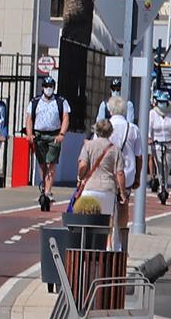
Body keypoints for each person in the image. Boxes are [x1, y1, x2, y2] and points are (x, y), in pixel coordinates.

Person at [26, 77, 71, 209]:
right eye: (46, 85)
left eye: (50, 85)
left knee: (51, 163)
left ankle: (48, 191)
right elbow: (29, 118)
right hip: (39, 135)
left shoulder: (61, 101)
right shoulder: (35, 101)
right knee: (42, 163)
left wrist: (62, 134)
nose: (48, 88)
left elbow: (65, 118)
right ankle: (44, 186)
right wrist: (29, 134)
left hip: (54, 135)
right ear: (42, 87)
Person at [74, 113, 126, 218]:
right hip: (108, 190)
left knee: (87, 220)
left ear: (96, 130)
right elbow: (120, 173)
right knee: (105, 223)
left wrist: (80, 178)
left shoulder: (88, 145)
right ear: (110, 132)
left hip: (90, 188)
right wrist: (122, 193)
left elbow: (83, 165)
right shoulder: (115, 149)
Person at [147, 89, 171, 204]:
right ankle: (162, 187)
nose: (162, 104)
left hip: (170, 144)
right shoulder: (152, 114)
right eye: (160, 101)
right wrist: (150, 139)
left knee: (167, 167)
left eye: (164, 102)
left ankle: (164, 184)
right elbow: (148, 129)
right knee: (160, 166)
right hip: (157, 144)